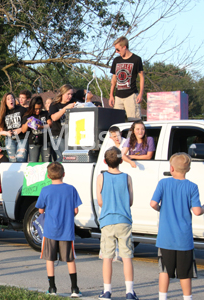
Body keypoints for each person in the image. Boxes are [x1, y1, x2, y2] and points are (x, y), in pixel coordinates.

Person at [150, 153, 204, 300]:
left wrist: (161, 209)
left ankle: (163, 297)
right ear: (188, 169)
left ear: (171, 168)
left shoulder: (163, 183)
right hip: (184, 239)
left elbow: (153, 203)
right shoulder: (192, 187)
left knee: (164, 270)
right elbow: (197, 211)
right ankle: (187, 297)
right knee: (185, 273)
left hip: (165, 238)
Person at [96, 147, 138, 300]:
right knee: (127, 256)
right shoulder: (127, 178)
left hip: (107, 221)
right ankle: (129, 292)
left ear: (105, 161)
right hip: (124, 220)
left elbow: (100, 201)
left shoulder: (101, 178)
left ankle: (107, 291)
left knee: (107, 257)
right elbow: (130, 201)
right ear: (121, 161)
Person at [35, 162, 82, 298]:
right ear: (64, 174)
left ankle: (52, 288)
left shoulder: (45, 190)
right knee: (70, 259)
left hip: (50, 231)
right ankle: (74, 288)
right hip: (66, 230)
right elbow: (75, 210)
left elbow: (40, 210)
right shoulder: (71, 189)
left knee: (49, 259)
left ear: (48, 176)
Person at [109, 36, 144, 121]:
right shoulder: (116, 60)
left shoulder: (136, 59)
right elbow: (114, 79)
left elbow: (142, 77)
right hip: (118, 96)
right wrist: (111, 95)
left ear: (124, 47)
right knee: (116, 122)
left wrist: (141, 94)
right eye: (115, 50)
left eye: (118, 49)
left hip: (131, 95)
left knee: (134, 122)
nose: (117, 52)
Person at [0, 92, 28, 162]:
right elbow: (0, 130)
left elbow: (28, 122)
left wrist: (20, 129)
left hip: (22, 138)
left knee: (21, 159)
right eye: (8, 99)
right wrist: (7, 133)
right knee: (12, 160)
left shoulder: (21, 109)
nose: (11, 100)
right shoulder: (3, 113)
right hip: (10, 139)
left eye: (12, 98)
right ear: (5, 102)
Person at [22, 96, 53, 162]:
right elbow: (23, 130)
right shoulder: (27, 115)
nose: (38, 111)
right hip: (33, 142)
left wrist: (41, 127)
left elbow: (50, 124)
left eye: (40, 108)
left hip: (45, 141)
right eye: (36, 109)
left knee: (47, 162)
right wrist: (28, 122)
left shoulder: (45, 113)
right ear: (32, 107)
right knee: (33, 163)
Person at [49, 84, 75, 162]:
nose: (70, 96)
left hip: (70, 136)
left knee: (69, 158)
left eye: (71, 94)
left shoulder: (73, 102)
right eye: (68, 94)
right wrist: (65, 109)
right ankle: (53, 171)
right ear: (62, 94)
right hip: (58, 135)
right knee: (65, 157)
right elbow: (54, 117)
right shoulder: (54, 104)